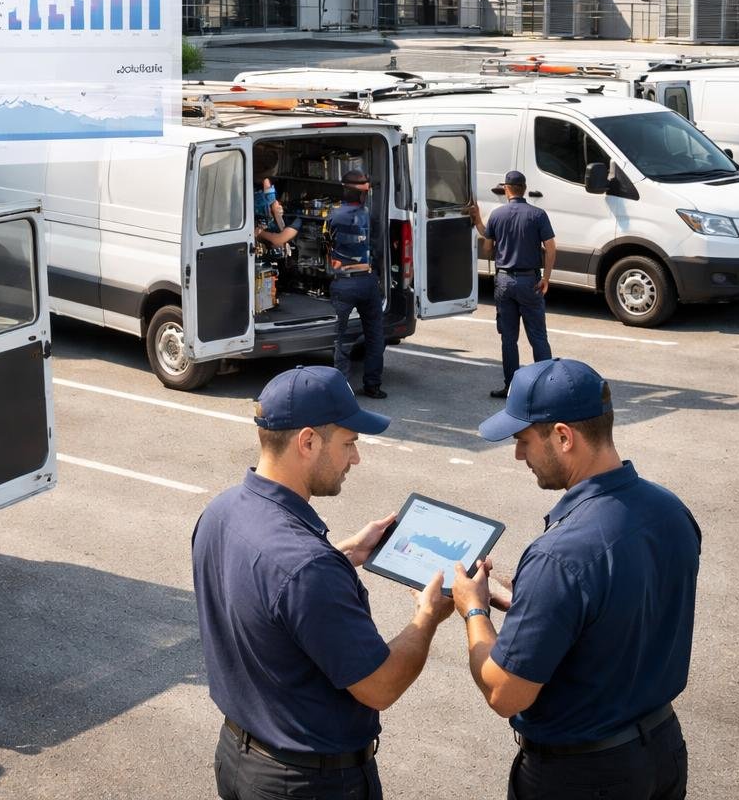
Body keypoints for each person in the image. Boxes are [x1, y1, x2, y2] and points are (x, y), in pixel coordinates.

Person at [192, 365, 455, 799]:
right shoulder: (307, 566)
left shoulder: (220, 513)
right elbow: (380, 685)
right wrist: (428, 616)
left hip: (239, 758)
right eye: (349, 443)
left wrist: (347, 553)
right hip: (308, 783)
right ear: (308, 441)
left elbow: (269, 597)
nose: (356, 458)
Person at [449, 358, 701, 800]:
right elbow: (620, 607)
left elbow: (505, 692)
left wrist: (474, 609)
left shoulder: (560, 556)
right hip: (662, 751)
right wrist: (530, 600)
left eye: (523, 439)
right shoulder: (671, 511)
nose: (518, 454)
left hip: (582, 777)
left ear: (563, 436)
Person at [465, 171, 556, 399]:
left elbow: (487, 247)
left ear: (506, 189)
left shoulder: (497, 214)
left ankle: (511, 388)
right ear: (524, 188)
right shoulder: (538, 214)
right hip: (530, 281)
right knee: (538, 336)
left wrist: (477, 220)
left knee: (508, 338)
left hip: (504, 281)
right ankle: (545, 389)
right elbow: (552, 247)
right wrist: (546, 278)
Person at [328, 168, 386, 399]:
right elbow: (378, 246)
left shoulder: (333, 216)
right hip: (368, 281)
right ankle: (373, 385)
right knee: (374, 336)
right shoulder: (368, 216)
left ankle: (341, 389)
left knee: (340, 337)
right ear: (362, 194)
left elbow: (326, 246)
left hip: (343, 283)